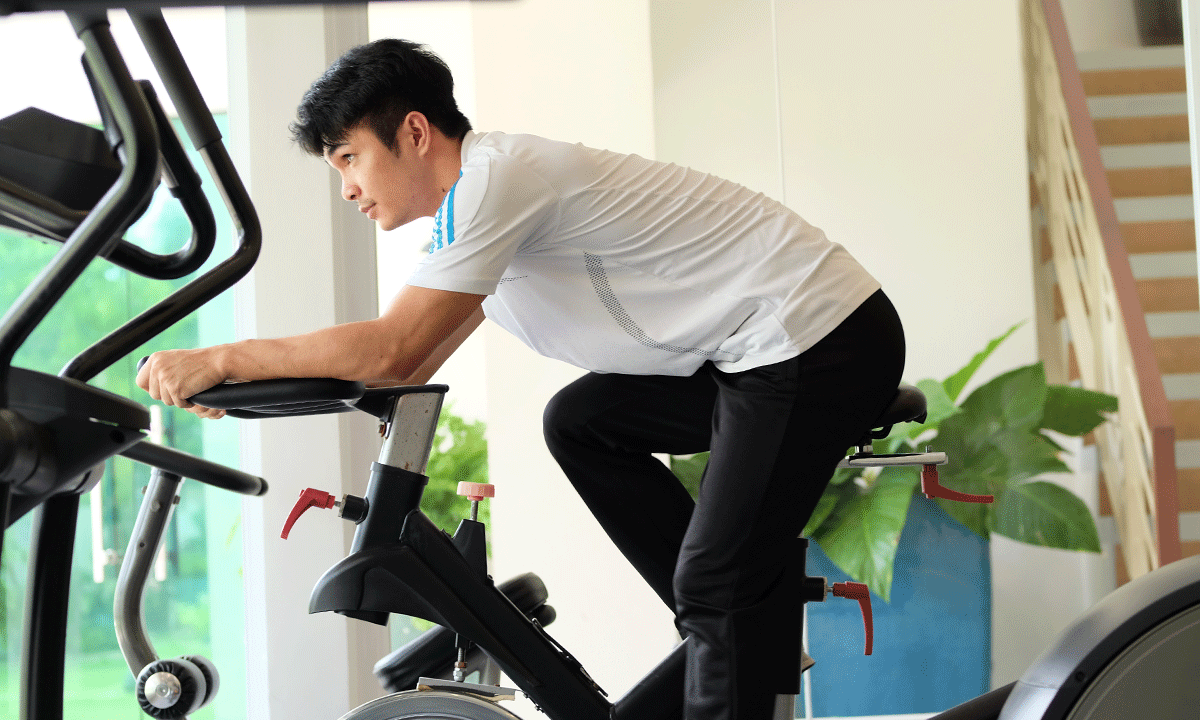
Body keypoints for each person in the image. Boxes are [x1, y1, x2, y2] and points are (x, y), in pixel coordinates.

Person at [137, 38, 905, 720]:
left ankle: (730, 614)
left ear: (414, 133)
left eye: (348, 158)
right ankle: (735, 627)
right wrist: (248, 394)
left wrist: (225, 359)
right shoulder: (471, 218)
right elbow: (412, 364)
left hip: (815, 337)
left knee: (717, 579)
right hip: (756, 354)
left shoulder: (497, 180)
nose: (345, 188)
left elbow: (393, 351)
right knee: (582, 422)